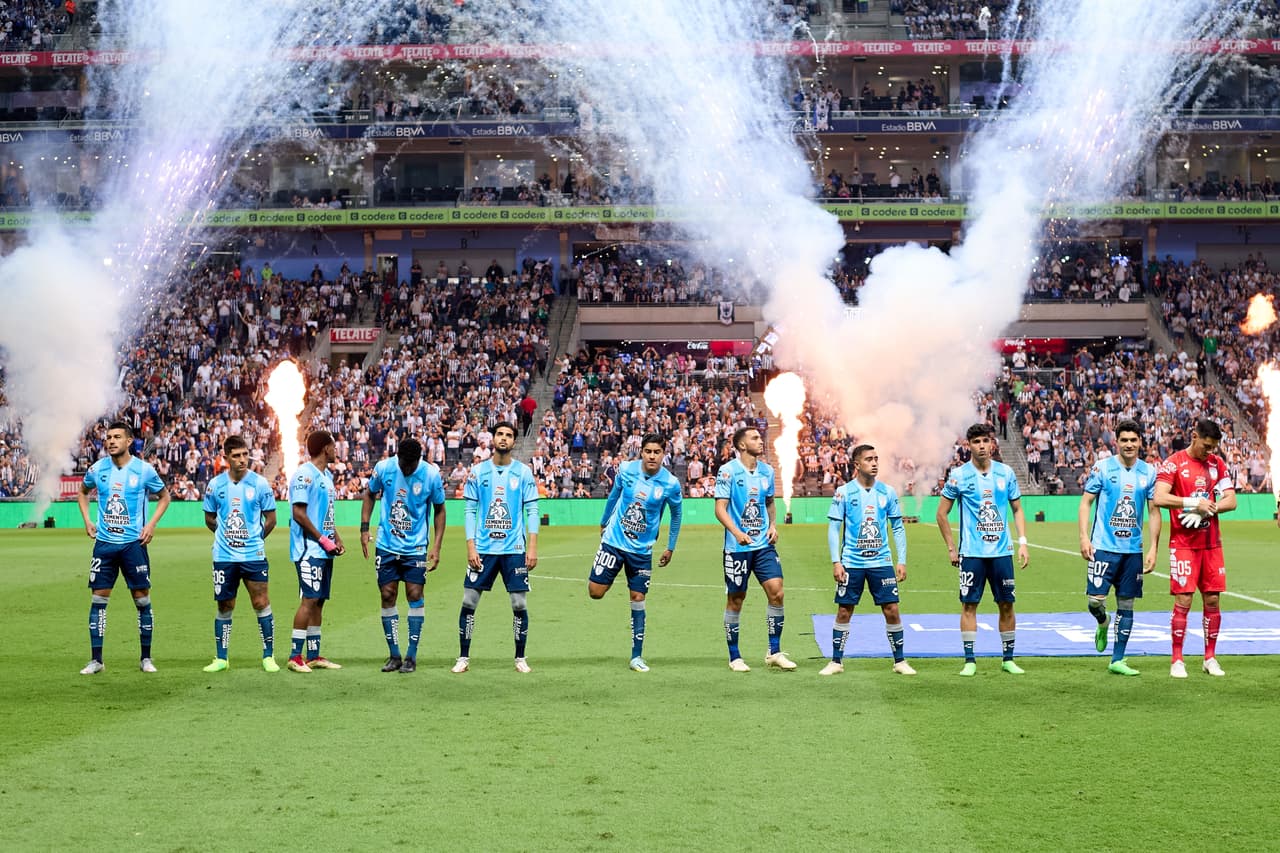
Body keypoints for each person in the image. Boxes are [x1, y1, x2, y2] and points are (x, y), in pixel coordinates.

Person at [77, 421, 171, 675]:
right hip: (105, 545)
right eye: (108, 437)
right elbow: (83, 492)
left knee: (142, 601)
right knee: (98, 600)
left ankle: (146, 658)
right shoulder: (97, 469)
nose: (110, 441)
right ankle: (96, 660)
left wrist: (151, 524)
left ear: (129, 441)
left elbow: (165, 497)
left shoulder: (144, 470)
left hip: (133, 545)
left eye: (117, 437)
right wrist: (87, 519)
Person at [936, 423, 1030, 677]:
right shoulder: (959, 476)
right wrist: (951, 548)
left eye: (985, 441)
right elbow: (941, 514)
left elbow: (1018, 509)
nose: (982, 446)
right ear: (969, 446)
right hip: (972, 553)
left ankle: (1008, 659)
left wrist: (1022, 542)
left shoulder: (1006, 473)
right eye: (976, 442)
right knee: (969, 604)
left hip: (1001, 552)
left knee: (1007, 604)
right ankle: (969, 660)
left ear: (992, 443)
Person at [589, 433, 683, 672]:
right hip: (613, 541)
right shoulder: (626, 470)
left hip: (641, 551)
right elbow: (614, 496)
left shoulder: (670, 484)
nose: (652, 456)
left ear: (664, 454)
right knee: (595, 592)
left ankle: (636, 656)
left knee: (638, 598)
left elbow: (676, 515)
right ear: (642, 451)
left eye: (657, 452)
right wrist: (603, 522)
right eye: (648, 451)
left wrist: (670, 546)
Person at [820, 444, 915, 676]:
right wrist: (836, 561)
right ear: (856, 465)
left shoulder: (887, 492)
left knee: (892, 609)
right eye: (868, 459)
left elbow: (898, 528)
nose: (874, 463)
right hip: (851, 562)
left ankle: (900, 661)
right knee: (844, 610)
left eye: (876, 459)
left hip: (881, 563)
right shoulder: (844, 492)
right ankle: (836, 661)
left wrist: (901, 560)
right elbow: (834, 528)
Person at [1153, 418, 1236, 678]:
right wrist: (1192, 503)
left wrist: (1209, 508)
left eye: (1213, 447)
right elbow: (1159, 497)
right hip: (1184, 544)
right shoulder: (1174, 463)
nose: (1209, 451)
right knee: (1184, 599)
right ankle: (1177, 659)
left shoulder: (1217, 464)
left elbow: (1231, 500)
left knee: (1212, 599)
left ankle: (1209, 657)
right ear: (1194, 436)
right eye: (1206, 446)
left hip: (1212, 543)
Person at [453, 422, 539, 674]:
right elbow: (469, 510)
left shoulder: (523, 473)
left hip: (514, 549)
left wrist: (532, 547)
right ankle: (463, 657)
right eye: (500, 434)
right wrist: (471, 546)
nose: (503, 439)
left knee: (519, 604)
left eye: (509, 435)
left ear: (514, 442)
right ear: (492, 439)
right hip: (484, 549)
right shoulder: (478, 473)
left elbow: (532, 510)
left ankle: (520, 657)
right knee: (469, 600)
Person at [1077, 420, 1160, 676]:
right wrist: (1083, 537)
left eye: (1133, 440)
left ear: (1140, 442)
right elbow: (1085, 502)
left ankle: (1118, 659)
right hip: (1103, 547)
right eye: (1124, 440)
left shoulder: (1149, 472)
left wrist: (1153, 547)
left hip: (1132, 550)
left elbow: (1154, 511)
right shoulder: (1102, 468)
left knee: (1127, 604)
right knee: (1094, 602)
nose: (1129, 444)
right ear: (1117, 442)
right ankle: (1103, 622)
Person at [360, 438, 447, 674]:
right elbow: (369, 494)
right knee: (387, 594)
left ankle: (411, 655)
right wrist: (364, 528)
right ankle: (394, 654)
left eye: (410, 465)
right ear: (397, 457)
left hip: (416, 547)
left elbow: (439, 510)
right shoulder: (384, 468)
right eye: (403, 464)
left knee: (414, 593)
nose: (406, 468)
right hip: (387, 545)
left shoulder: (430, 475)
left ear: (419, 460)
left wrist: (436, 546)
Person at [715, 426, 794, 672]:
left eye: (760, 437)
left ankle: (774, 651)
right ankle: (735, 656)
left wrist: (773, 524)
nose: (761, 441)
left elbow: (769, 502)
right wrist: (737, 533)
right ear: (741, 445)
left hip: (763, 545)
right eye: (755, 438)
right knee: (736, 599)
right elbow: (720, 508)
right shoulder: (727, 472)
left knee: (777, 592)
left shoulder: (767, 471)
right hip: (737, 547)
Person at [201, 435, 279, 673]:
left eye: (245, 454)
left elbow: (272, 519)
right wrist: (226, 537)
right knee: (225, 605)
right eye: (236, 455)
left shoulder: (260, 484)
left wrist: (253, 539)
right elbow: (209, 518)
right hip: (224, 557)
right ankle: (222, 658)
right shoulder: (215, 485)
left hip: (253, 556)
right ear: (226, 458)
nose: (242, 459)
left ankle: (268, 655)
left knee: (261, 602)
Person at [287, 430, 345, 673]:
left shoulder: (326, 476)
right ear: (325, 449)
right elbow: (298, 513)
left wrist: (336, 537)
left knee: (319, 602)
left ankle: (313, 655)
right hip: (308, 550)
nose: (336, 450)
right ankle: (294, 656)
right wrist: (322, 539)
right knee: (308, 600)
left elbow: (324, 514)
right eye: (333, 446)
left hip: (324, 549)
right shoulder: (304, 475)